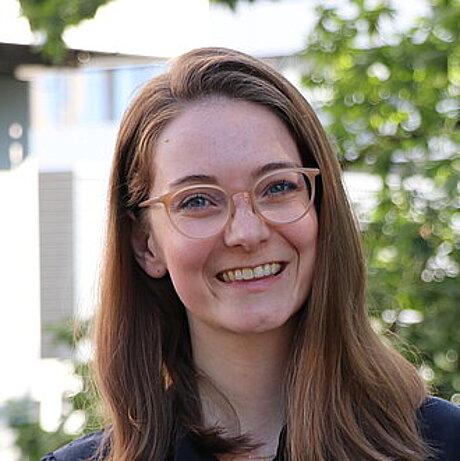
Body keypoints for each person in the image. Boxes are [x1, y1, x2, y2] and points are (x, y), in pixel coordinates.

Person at [41, 47, 460, 461]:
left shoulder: (446, 443)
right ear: (145, 244)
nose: (247, 232)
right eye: (197, 200)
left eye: (278, 187)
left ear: (321, 207)